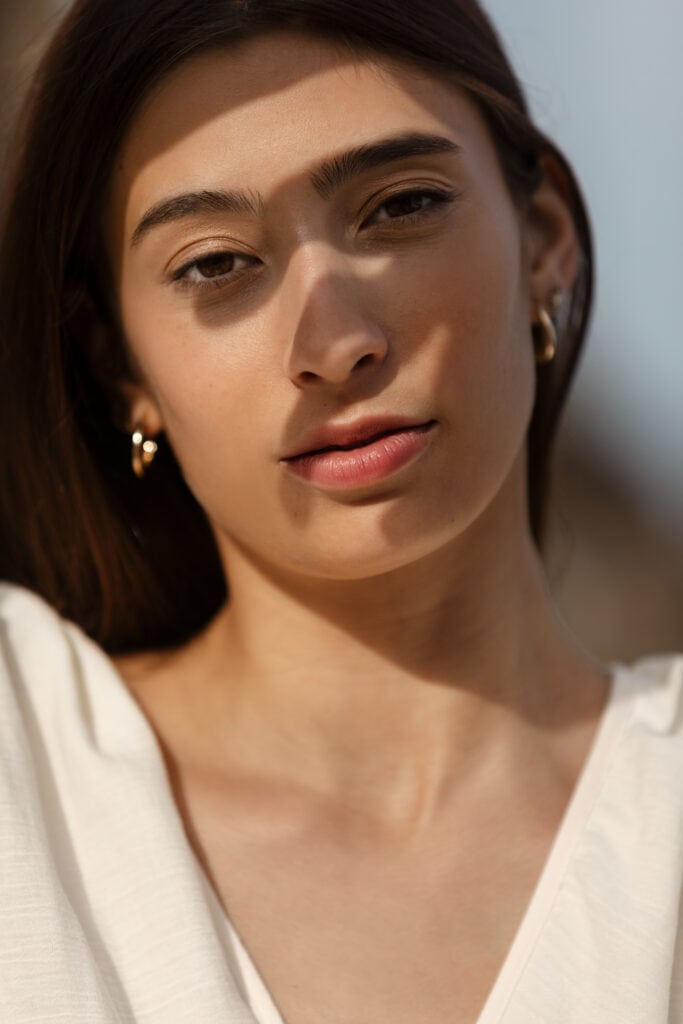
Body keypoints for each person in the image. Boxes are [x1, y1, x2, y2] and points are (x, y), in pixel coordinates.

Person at [0, 1, 681, 1021]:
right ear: (119, 366)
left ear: (540, 242)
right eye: (216, 263)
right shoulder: (22, 759)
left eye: (398, 206)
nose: (335, 340)